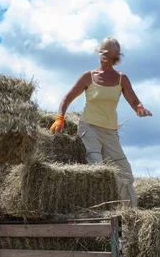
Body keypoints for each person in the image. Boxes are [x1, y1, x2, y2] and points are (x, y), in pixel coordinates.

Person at [50, 37, 152, 206]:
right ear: (99, 54)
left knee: (124, 172)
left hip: (110, 131)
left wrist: (140, 108)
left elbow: (134, 101)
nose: (104, 58)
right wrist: (60, 117)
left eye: (109, 55)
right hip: (88, 127)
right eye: (103, 54)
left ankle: (129, 213)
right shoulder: (88, 76)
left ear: (116, 58)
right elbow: (67, 98)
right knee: (98, 167)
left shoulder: (121, 79)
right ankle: (99, 209)